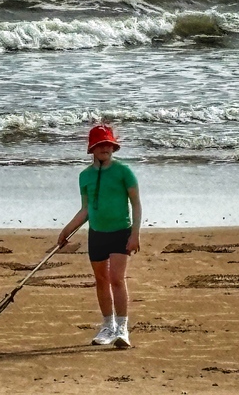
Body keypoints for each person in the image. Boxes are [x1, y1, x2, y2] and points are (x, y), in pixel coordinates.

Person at [57, 124, 141, 348]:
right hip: (97, 234)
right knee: (101, 280)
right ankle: (107, 326)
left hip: (120, 231)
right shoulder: (85, 176)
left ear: (114, 147)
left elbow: (136, 204)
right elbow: (85, 210)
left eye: (109, 144)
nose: (105, 148)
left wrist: (135, 234)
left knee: (116, 279)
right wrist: (66, 231)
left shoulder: (124, 171)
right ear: (92, 148)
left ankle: (122, 328)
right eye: (100, 144)